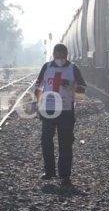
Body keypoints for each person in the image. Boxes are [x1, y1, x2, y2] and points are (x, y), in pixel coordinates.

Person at [34, 44, 86, 186]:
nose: (59, 60)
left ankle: (65, 175)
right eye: (57, 57)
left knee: (65, 143)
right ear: (53, 55)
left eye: (62, 57)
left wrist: (71, 87)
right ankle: (49, 172)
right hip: (48, 110)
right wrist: (38, 103)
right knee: (46, 141)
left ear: (66, 56)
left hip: (66, 111)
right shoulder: (47, 67)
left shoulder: (73, 68)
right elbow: (38, 86)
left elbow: (83, 90)